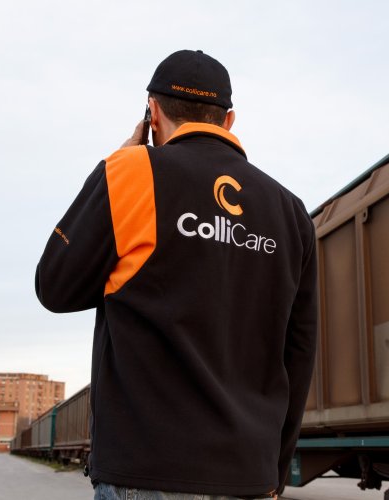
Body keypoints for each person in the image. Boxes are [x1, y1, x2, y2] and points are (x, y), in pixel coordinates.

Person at [35, 49, 317, 500]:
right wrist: (272, 473)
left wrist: (114, 167)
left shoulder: (130, 173)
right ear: (228, 120)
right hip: (249, 474)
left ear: (152, 112)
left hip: (145, 472)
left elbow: (55, 285)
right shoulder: (290, 211)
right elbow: (298, 352)